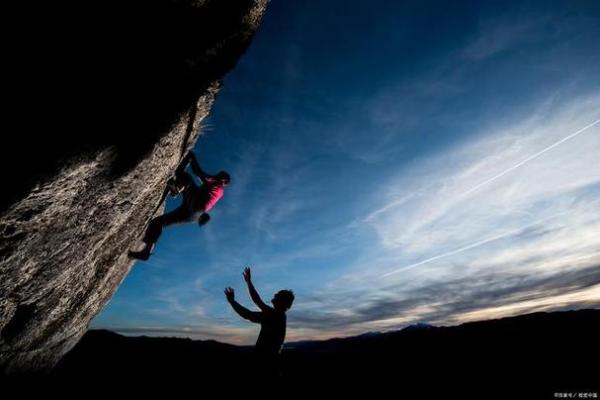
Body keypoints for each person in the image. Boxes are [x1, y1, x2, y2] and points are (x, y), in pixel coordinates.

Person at [128, 151, 230, 260]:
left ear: (223, 180)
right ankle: (147, 251)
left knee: (187, 178)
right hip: (193, 215)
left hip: (196, 207)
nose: (216, 174)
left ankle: (176, 189)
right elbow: (202, 180)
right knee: (157, 222)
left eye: (219, 174)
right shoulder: (216, 189)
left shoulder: (217, 183)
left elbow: (198, 172)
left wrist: (191, 156)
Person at [225, 267, 295, 376]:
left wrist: (232, 302)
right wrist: (248, 282)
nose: (275, 295)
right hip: (269, 363)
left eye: (278, 295)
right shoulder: (278, 315)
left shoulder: (275, 316)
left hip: (266, 365)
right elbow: (257, 303)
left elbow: (249, 312)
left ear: (283, 302)